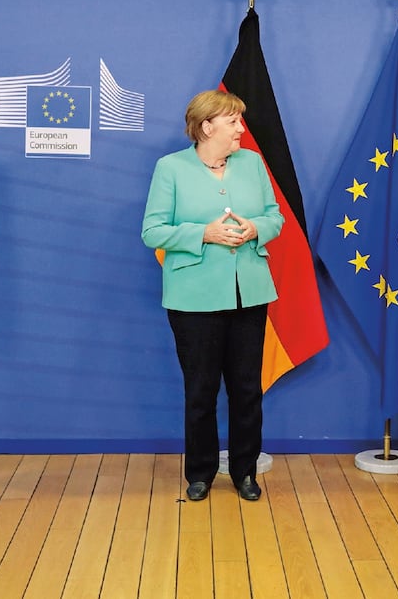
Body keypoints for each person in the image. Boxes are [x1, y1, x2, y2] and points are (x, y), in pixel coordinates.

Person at [142, 89, 283, 502]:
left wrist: (256, 228)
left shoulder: (252, 163)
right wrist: (202, 233)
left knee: (246, 390)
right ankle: (200, 473)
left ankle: (245, 472)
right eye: (234, 121)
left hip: (250, 293)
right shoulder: (171, 168)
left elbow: (274, 216)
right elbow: (152, 231)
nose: (242, 128)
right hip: (193, 299)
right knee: (200, 390)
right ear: (207, 127)